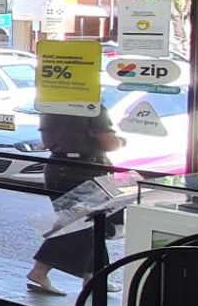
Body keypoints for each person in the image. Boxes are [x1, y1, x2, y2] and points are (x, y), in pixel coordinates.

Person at [26, 104, 125, 295]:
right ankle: (40, 270)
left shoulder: (51, 106)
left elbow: (47, 141)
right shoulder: (92, 107)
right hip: (86, 169)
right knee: (80, 224)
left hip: (57, 168)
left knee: (86, 223)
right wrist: (121, 141)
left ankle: (94, 278)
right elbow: (109, 143)